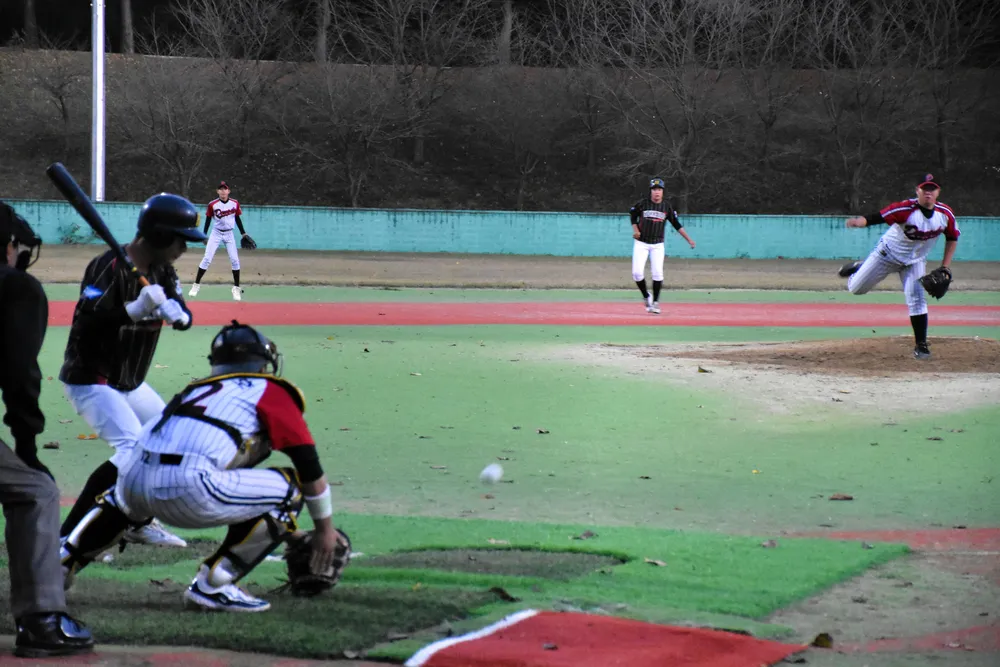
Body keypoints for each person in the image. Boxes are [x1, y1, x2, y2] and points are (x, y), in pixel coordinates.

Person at [60, 320, 350, 613]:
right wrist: (324, 530)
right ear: (263, 364)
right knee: (293, 488)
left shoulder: (195, 390)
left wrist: (291, 533)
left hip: (132, 480)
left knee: (123, 498)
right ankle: (214, 584)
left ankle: (58, 566)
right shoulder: (269, 390)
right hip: (190, 489)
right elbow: (307, 464)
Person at [58, 193, 208, 551]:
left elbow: (180, 308)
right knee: (131, 451)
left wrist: (179, 313)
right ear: (157, 235)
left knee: (170, 440)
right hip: (92, 379)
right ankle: (67, 536)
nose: (184, 249)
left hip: (130, 381)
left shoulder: (162, 270)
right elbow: (87, 324)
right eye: (179, 240)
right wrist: (135, 310)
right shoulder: (105, 267)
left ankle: (136, 522)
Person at [0, 201, 94, 658]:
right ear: (9, 248)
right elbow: (19, 371)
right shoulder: (16, 288)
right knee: (34, 490)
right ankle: (42, 623)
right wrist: (27, 443)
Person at [838, 172, 960, 360]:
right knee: (856, 289)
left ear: (938, 192)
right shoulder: (904, 209)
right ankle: (859, 268)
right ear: (917, 190)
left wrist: (945, 267)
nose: (928, 193)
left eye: (932, 189)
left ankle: (921, 345)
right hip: (886, 255)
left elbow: (952, 237)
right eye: (924, 189)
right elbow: (876, 217)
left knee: (917, 299)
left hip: (915, 262)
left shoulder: (945, 214)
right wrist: (859, 222)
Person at [629, 177, 696, 314]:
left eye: (659, 189)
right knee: (636, 273)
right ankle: (647, 296)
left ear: (663, 192)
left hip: (657, 244)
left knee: (658, 273)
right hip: (641, 243)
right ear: (651, 191)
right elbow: (632, 215)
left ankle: (655, 303)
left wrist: (688, 239)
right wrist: (635, 229)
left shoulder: (666, 207)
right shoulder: (643, 204)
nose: (656, 192)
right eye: (654, 189)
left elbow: (676, 224)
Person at [188, 181, 252, 301]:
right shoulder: (213, 204)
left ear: (228, 191)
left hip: (229, 234)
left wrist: (243, 233)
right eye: (221, 189)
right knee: (207, 259)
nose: (223, 191)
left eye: (225, 189)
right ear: (217, 191)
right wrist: (204, 235)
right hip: (216, 233)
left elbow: (237, 218)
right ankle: (196, 285)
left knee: (235, 260)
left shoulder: (234, 203)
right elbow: (207, 219)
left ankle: (236, 288)